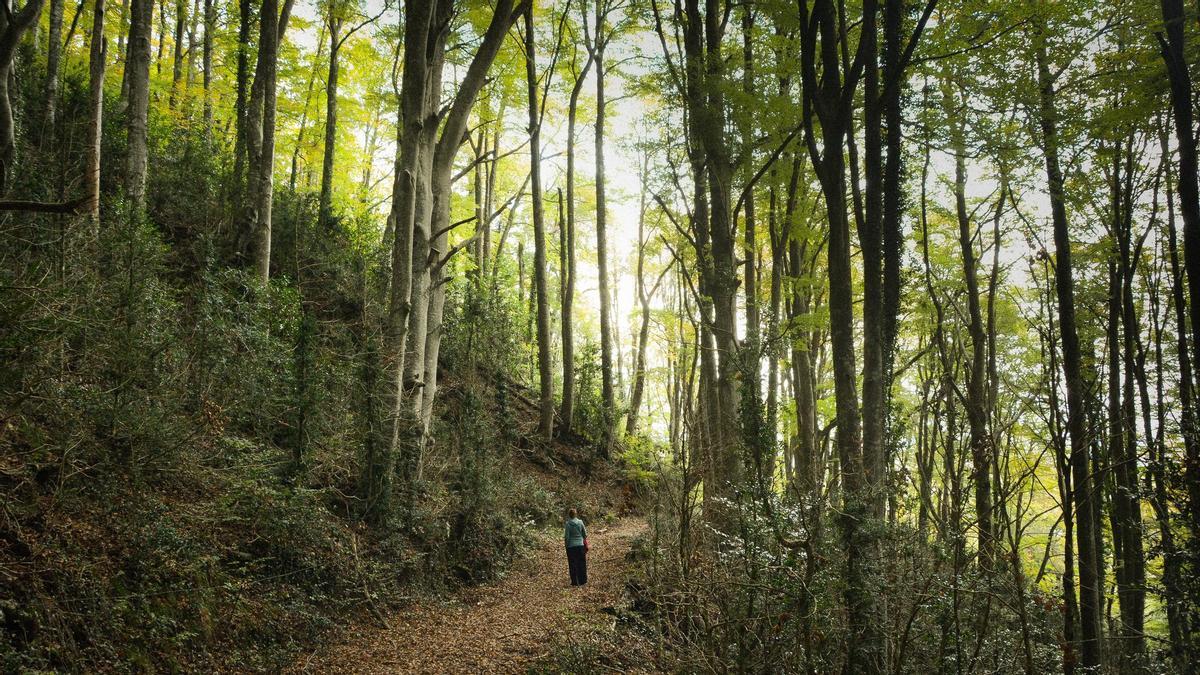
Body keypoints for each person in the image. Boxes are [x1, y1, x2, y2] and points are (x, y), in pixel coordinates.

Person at [564, 508, 588, 586]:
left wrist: (566, 545)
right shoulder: (580, 522)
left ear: (569, 515)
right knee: (581, 563)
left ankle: (574, 582)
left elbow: (567, 537)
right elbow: (585, 534)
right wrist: (583, 540)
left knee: (572, 564)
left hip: (571, 547)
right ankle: (583, 581)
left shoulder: (568, 524)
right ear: (575, 514)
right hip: (580, 545)